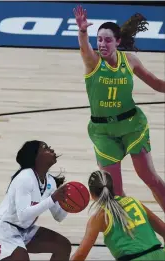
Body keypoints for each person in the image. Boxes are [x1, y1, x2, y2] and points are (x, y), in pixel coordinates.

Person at [73, 5, 165, 212]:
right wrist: (82, 31)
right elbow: (84, 47)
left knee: (149, 177)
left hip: (132, 126)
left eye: (107, 40)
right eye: (99, 39)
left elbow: (158, 85)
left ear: (117, 42)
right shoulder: (93, 62)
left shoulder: (130, 61)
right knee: (114, 193)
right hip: (103, 132)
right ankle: (134, 234)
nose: (102, 44)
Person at [0, 140, 72, 261]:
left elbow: (59, 216)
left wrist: (69, 203)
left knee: (62, 246)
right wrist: (52, 199)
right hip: (4, 230)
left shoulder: (50, 182)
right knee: (21, 258)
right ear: (35, 157)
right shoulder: (25, 177)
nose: (52, 150)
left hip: (25, 230)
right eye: (45, 148)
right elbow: (23, 215)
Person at [71, 170, 165, 261]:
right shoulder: (134, 202)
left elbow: (80, 255)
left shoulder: (99, 217)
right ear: (113, 188)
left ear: (91, 194)